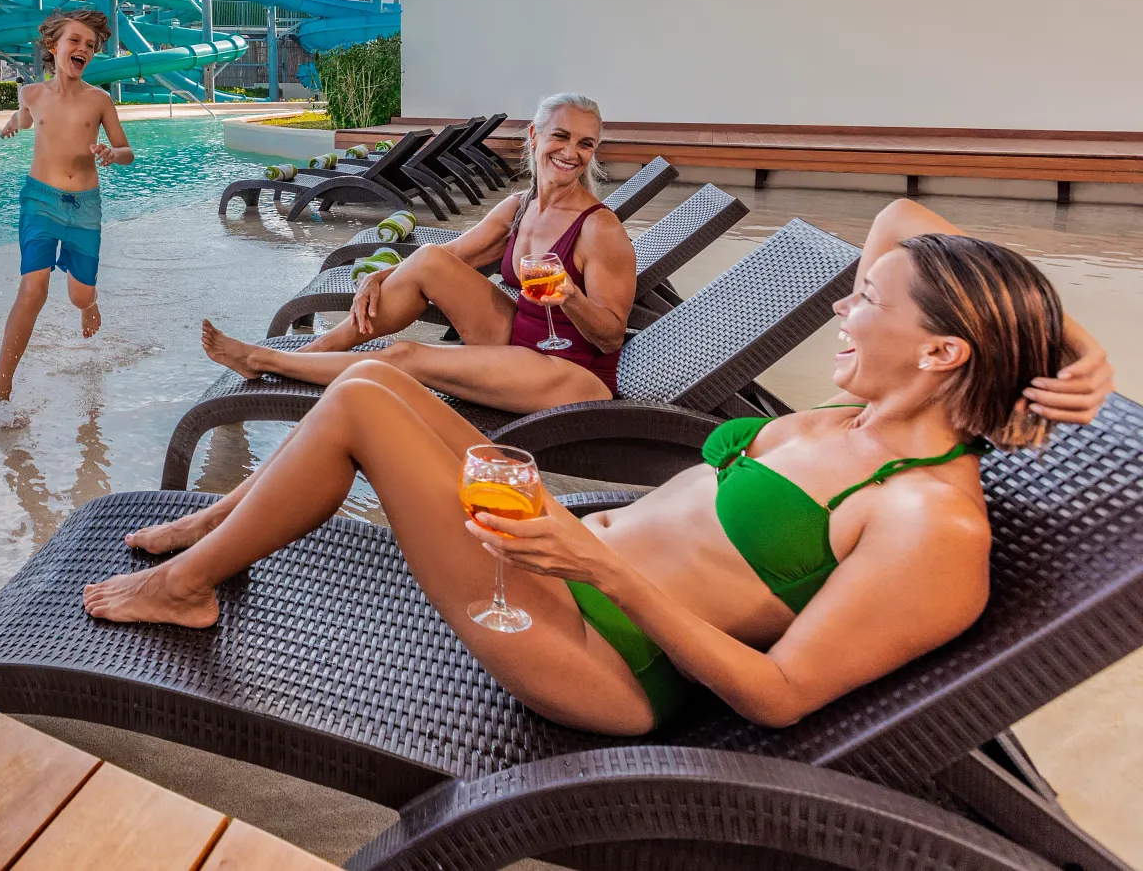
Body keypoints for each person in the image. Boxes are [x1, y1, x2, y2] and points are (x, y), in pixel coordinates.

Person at [87, 198, 1115, 735]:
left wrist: (596, 563)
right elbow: (902, 226)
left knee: (361, 395)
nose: (843, 307)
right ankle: (216, 532)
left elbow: (781, 695)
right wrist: (1062, 336)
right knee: (389, 378)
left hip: (589, 643)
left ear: (942, 353)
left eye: (865, 303)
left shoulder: (929, 523)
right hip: (560, 545)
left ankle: (187, 582)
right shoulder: (879, 407)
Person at [202, 92, 637, 421]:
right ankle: (318, 351)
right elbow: (448, 257)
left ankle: (263, 360)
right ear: (534, 136)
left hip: (570, 370)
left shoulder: (599, 229)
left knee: (405, 355)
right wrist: (383, 274)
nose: (571, 153)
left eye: (585, 144)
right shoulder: (521, 206)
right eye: (561, 136)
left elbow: (611, 337)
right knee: (428, 258)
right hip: (517, 340)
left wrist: (569, 297)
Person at [0, 9, 134, 411]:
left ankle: (89, 304)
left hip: (84, 208)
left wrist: (112, 153)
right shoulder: (31, 94)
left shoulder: (100, 100)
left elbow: (127, 151)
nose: (83, 49)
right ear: (54, 47)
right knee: (33, 288)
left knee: (78, 295)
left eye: (90, 45)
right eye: (75, 40)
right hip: (40, 201)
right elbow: (25, 116)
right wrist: (11, 124)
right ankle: (1, 389)